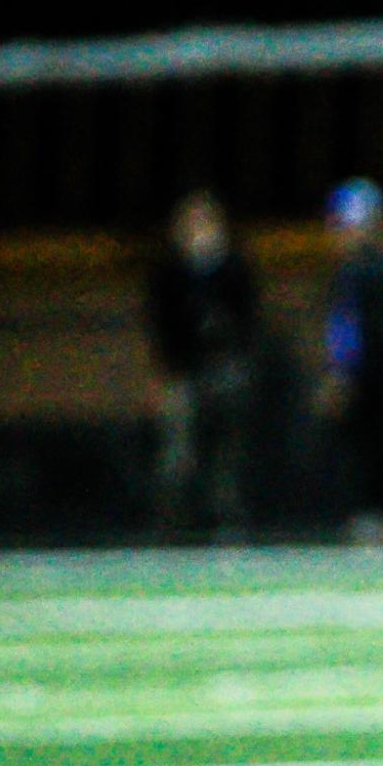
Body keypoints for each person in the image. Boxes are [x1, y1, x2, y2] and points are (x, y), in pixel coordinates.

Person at [145, 191, 258, 532]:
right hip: (183, 373)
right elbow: (161, 326)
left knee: (225, 453)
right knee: (178, 454)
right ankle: (172, 524)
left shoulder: (234, 268)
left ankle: (225, 521)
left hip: (226, 371)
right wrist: (163, 373)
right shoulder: (169, 273)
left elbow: (248, 320)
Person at [322, 178, 383, 540]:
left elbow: (376, 332)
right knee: (365, 450)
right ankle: (375, 515)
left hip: (373, 381)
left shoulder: (374, 270)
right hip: (369, 380)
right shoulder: (357, 270)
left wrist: (348, 375)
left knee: (378, 449)